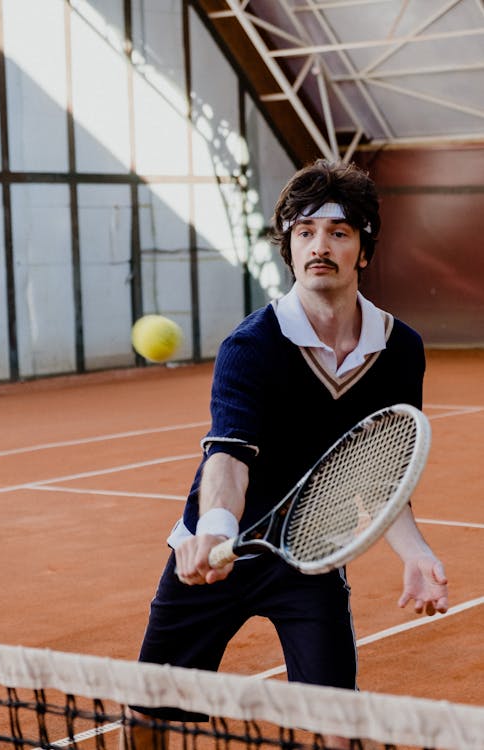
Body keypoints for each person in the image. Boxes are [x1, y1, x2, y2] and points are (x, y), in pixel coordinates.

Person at [125, 159, 448, 744]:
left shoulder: (400, 350)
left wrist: (415, 552)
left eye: (338, 232)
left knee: (336, 725)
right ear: (289, 247)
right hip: (217, 553)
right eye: (305, 232)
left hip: (309, 555)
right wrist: (216, 529)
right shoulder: (252, 347)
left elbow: (381, 473)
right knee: (150, 710)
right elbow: (227, 459)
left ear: (363, 251)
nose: (319, 245)